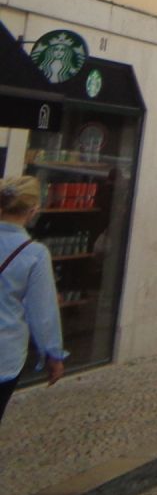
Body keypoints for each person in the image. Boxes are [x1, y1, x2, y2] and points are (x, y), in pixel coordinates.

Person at [0, 176, 65, 423]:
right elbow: (43, 311)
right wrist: (53, 354)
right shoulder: (34, 254)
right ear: (33, 210)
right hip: (4, 353)